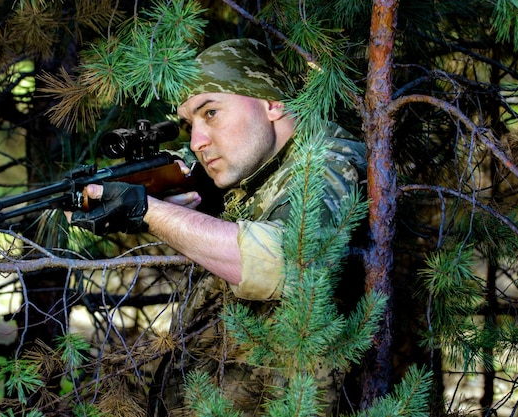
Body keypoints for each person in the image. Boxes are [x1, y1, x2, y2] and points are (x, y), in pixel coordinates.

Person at [69, 38, 367, 416]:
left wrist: (149, 212)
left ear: (273, 103)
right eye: (188, 124)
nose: (197, 141)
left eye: (210, 113)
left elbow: (286, 261)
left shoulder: (331, 160)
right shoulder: (252, 175)